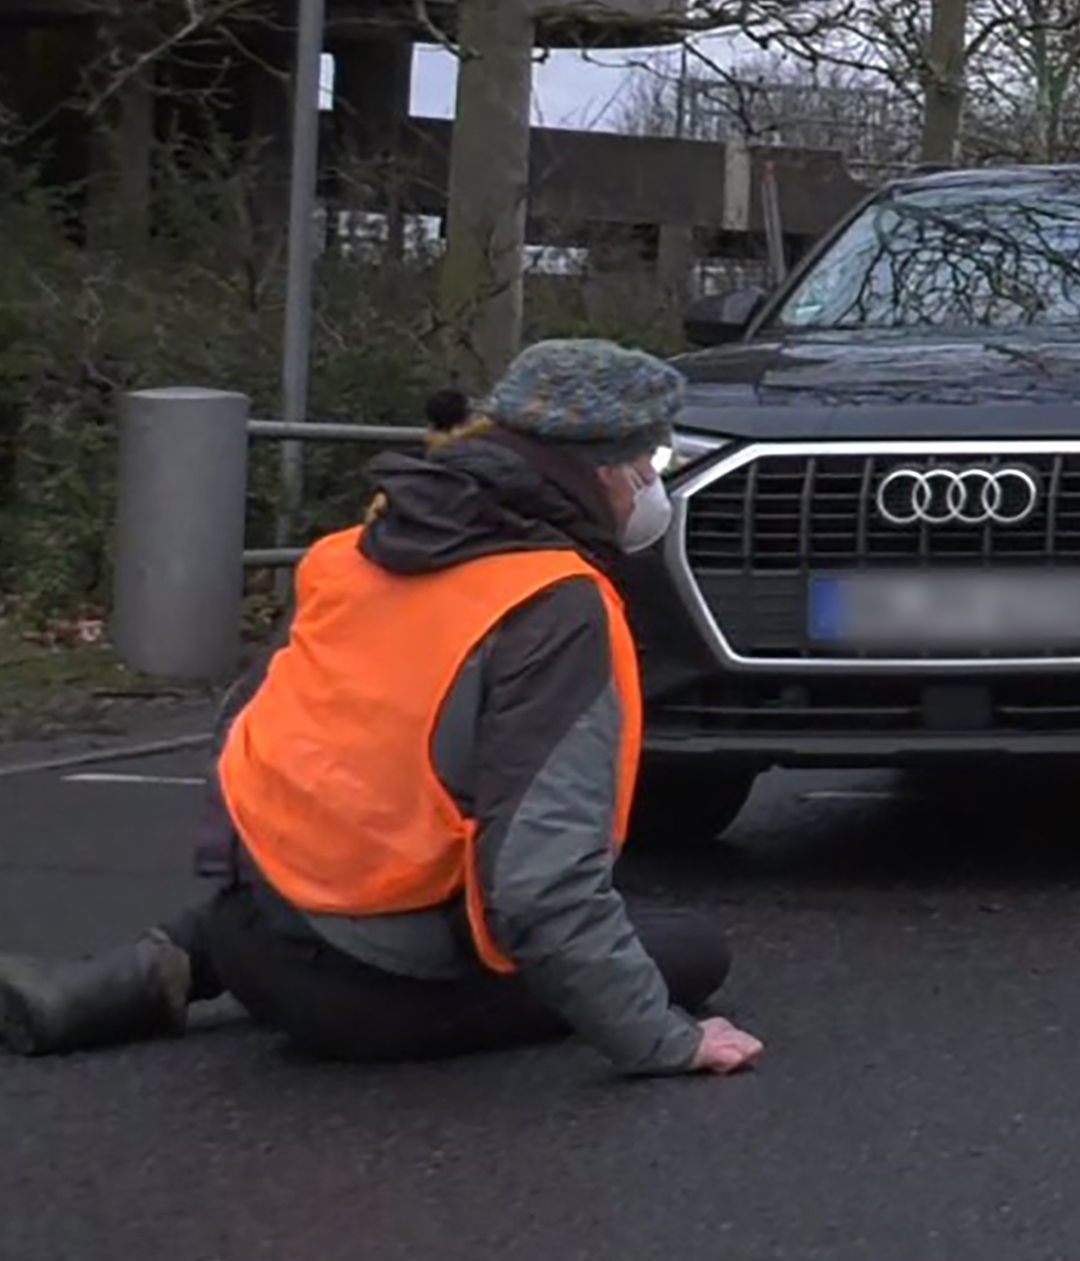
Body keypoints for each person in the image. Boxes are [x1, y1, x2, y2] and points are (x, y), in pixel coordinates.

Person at [0, 341, 759, 1077]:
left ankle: (118, 983)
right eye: (653, 464)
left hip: (247, 920)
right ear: (605, 470)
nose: (655, 485)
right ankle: (293, 970)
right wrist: (661, 1039)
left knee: (348, 882)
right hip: (368, 998)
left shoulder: (356, 549)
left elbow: (247, 729)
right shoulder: (557, 605)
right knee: (687, 950)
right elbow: (538, 886)